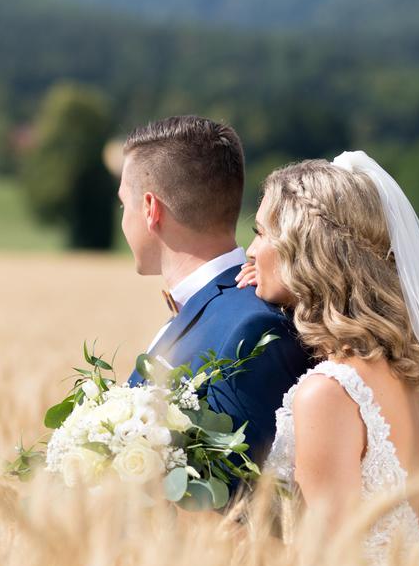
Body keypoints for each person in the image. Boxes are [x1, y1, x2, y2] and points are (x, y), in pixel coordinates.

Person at [238, 153, 419, 566]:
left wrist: (221, 531)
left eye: (261, 233)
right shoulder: (408, 371)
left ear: (306, 250)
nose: (249, 250)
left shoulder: (329, 393)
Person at [117, 116, 312, 480]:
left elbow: (241, 497)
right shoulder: (215, 307)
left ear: (149, 208)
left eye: (123, 204)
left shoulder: (253, 326)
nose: (123, 220)